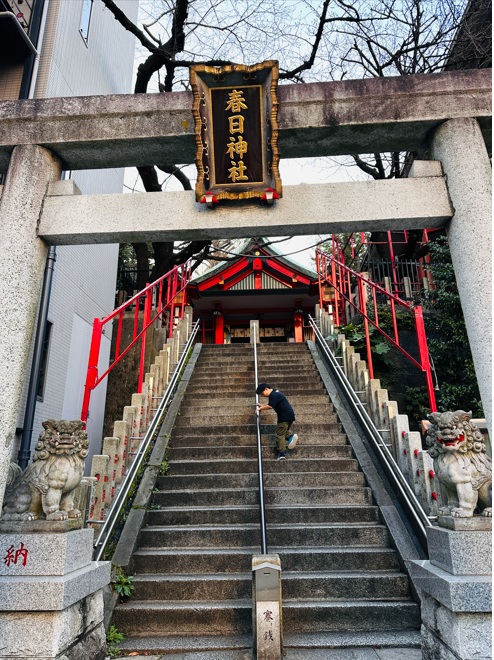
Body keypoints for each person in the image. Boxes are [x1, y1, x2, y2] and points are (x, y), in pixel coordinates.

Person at [255, 383, 299, 460]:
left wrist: (260, 408)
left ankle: (282, 454)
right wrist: (262, 405)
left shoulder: (273, 395)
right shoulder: (275, 392)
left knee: (280, 435)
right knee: (283, 431)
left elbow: (270, 406)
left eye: (262, 393)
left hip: (284, 417)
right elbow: (272, 403)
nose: (262, 395)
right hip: (290, 416)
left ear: (266, 389)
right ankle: (290, 437)